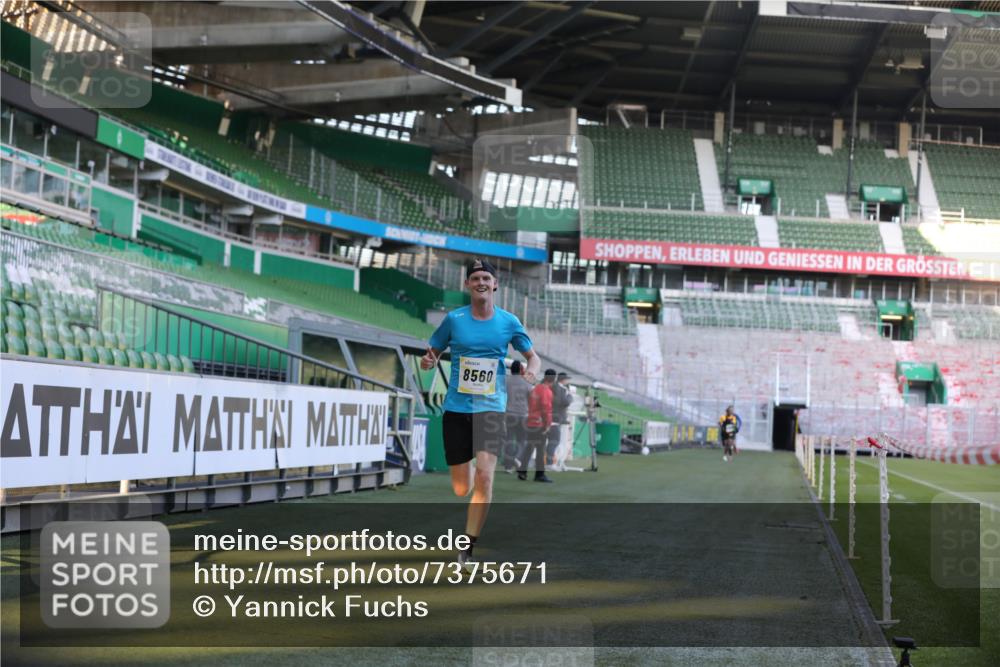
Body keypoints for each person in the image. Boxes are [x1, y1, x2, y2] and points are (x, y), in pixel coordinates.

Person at [420, 258, 540, 570]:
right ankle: (468, 470)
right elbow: (433, 349)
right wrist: (429, 360)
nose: (481, 282)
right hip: (457, 409)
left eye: (486, 277)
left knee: (486, 477)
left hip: (490, 409)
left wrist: (533, 371)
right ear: (468, 285)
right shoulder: (454, 319)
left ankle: (467, 547)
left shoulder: (509, 322)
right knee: (462, 488)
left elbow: (532, 356)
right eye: (476, 278)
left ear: (495, 284)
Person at [520, 368, 556, 483]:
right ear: (554, 379)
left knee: (529, 448)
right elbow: (546, 408)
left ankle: (522, 471)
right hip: (539, 423)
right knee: (540, 450)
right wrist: (547, 425)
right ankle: (539, 475)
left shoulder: (536, 388)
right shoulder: (546, 391)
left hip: (531, 421)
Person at [503, 360, 531, 474]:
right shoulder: (527, 382)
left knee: (509, 439)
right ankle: (516, 457)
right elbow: (532, 396)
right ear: (521, 370)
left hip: (508, 414)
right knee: (522, 440)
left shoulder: (505, 380)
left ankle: (508, 467)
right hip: (523, 415)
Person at [548, 372, 573, 464]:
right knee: (554, 441)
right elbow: (565, 402)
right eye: (567, 379)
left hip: (553, 417)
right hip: (556, 418)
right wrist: (570, 396)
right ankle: (550, 462)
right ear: (563, 379)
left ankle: (551, 461)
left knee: (553, 442)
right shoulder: (560, 388)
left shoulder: (556, 387)